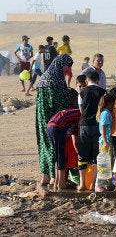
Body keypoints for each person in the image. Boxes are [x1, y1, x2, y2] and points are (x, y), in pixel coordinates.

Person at [35, 54, 73, 187]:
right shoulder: (54, 80)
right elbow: (57, 103)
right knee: (53, 145)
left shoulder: (45, 77)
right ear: (61, 64)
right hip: (53, 120)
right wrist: (69, 98)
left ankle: (45, 176)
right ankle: (53, 177)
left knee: (44, 143)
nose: (68, 70)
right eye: (68, 66)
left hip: (42, 119)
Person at [77, 71, 107, 191]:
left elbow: (81, 110)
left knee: (82, 155)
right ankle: (93, 184)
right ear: (98, 80)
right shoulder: (103, 92)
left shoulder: (82, 92)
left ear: (86, 81)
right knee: (96, 156)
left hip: (84, 125)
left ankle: (82, 184)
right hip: (98, 126)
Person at [46, 108, 81, 190]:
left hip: (50, 125)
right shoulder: (82, 116)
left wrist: (79, 154)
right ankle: (61, 183)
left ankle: (57, 182)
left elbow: (75, 141)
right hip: (58, 126)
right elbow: (75, 140)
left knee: (59, 156)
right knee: (61, 156)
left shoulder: (76, 115)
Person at [95, 93, 115, 192]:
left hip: (105, 140)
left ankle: (108, 183)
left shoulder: (104, 112)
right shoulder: (106, 113)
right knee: (104, 163)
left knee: (108, 162)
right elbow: (103, 128)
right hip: (105, 141)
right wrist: (106, 141)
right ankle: (99, 184)